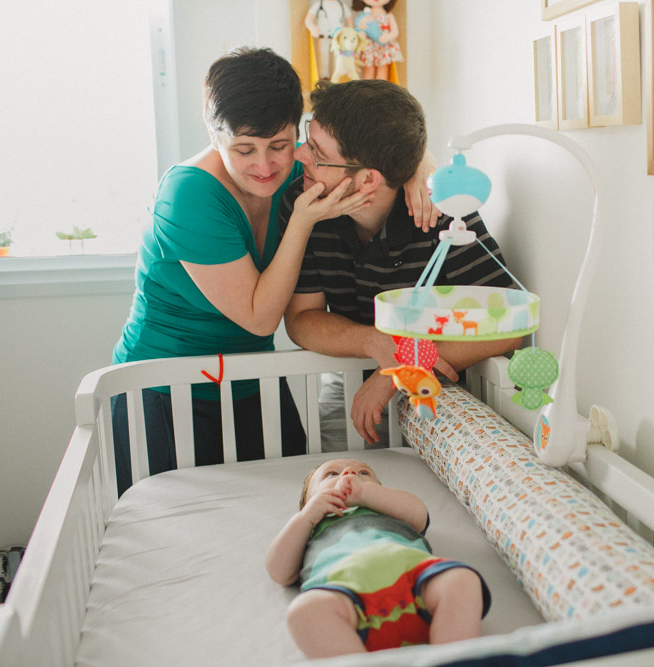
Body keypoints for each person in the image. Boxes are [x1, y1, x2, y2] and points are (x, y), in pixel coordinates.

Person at [111, 48, 438, 496]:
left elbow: (378, 152)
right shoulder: (188, 195)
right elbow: (261, 317)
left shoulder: (294, 173)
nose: (264, 166)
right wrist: (302, 222)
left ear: (298, 131)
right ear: (213, 134)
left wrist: (419, 168)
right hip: (165, 387)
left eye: (280, 146)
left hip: (250, 376)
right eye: (243, 150)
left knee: (293, 500)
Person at [281, 79, 523, 446]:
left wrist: (400, 366)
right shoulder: (304, 202)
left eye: (315, 151)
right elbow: (300, 321)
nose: (299, 156)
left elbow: (511, 326)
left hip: (428, 389)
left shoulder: (443, 212)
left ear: (367, 180)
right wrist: (377, 344)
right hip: (349, 378)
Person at [265, 458, 489, 658]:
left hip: (416, 584)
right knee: (304, 611)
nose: (349, 474)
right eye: (331, 475)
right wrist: (305, 519)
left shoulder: (388, 511)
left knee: (462, 580)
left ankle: (450, 659)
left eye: (364, 473)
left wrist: (366, 494)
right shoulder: (311, 527)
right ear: (308, 501)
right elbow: (279, 571)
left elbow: (419, 514)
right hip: (349, 601)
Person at [351, 0, 402, 81]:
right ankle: (368, 91)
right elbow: (360, 31)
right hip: (369, 48)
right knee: (368, 70)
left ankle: (381, 90)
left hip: (384, 48)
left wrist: (387, 37)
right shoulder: (364, 16)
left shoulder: (388, 16)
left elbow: (395, 32)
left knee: (383, 70)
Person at [304, 0, 351, 81]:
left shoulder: (342, 5)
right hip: (324, 37)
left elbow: (350, 22)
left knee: (338, 61)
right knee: (323, 59)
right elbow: (308, 20)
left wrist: (351, 34)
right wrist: (313, 28)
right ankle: (324, 78)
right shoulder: (319, 5)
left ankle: (336, 80)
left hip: (338, 39)